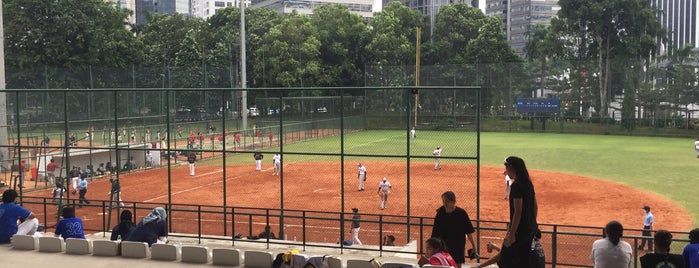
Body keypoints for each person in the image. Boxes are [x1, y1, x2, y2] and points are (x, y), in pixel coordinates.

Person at [499, 156, 538, 268]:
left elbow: (518, 211)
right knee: (523, 260)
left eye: (506, 167)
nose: (506, 171)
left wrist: (512, 234)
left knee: (504, 260)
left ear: (511, 167)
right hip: (529, 229)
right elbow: (535, 206)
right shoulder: (528, 184)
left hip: (518, 231)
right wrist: (532, 223)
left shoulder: (516, 186)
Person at [431, 191, 477, 267]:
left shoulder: (461, 213)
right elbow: (435, 232)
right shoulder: (440, 213)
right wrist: (433, 247)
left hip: (458, 245)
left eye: (447, 201)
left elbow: (468, 231)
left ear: (454, 202)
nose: (445, 204)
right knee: (445, 265)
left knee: (457, 264)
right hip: (444, 246)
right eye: (443, 201)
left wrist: (474, 247)